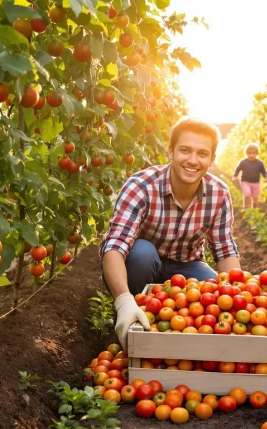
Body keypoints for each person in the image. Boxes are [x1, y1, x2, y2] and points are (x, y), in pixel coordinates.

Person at [100, 117, 241, 349]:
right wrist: (124, 301)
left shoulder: (219, 194)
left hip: (187, 265)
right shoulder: (141, 186)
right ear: (171, 151)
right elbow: (115, 246)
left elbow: (225, 251)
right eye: (185, 150)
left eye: (202, 154)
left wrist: (237, 297)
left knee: (215, 298)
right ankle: (135, 315)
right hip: (140, 264)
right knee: (141, 253)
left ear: (212, 159)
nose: (193, 160)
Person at [232, 143, 267, 209]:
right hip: (245, 182)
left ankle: (254, 208)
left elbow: (264, 172)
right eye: (249, 153)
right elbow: (238, 169)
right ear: (246, 154)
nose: (251, 155)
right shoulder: (243, 162)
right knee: (247, 194)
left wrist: (266, 177)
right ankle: (246, 207)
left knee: (255, 197)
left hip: (256, 183)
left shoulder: (259, 163)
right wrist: (235, 176)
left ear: (257, 154)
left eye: (253, 153)